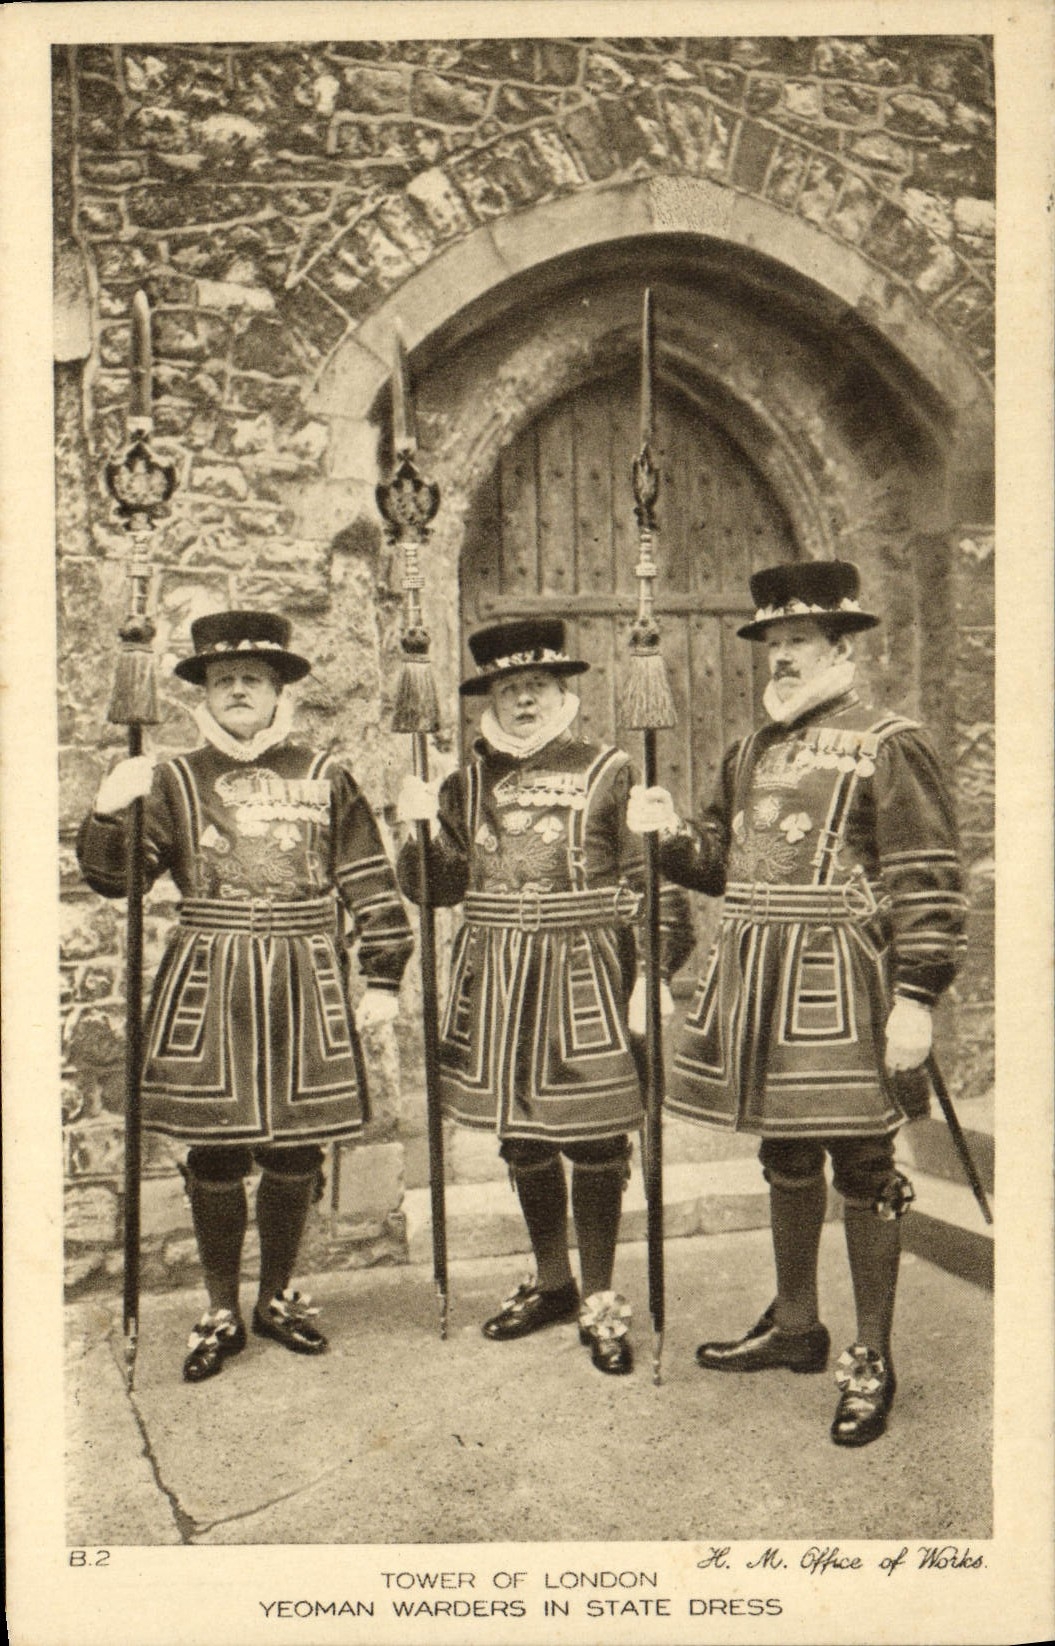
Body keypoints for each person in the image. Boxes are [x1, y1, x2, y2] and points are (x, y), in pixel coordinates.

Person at [627, 560, 966, 1445]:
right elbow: (719, 863)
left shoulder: (889, 740)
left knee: (861, 1162)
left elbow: (926, 873)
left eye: (798, 640)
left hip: (841, 979)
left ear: (838, 646)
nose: (780, 656)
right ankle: (794, 1324)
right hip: (758, 979)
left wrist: (917, 994)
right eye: (771, 641)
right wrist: (669, 835)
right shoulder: (750, 750)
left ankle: (871, 1356)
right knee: (783, 1152)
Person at [78, 611, 413, 1383]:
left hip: (305, 973)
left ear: (277, 692)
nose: (237, 690)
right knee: (216, 1151)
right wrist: (106, 811)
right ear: (203, 691)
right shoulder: (171, 778)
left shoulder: (323, 773)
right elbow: (120, 880)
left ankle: (276, 1297)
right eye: (222, 679)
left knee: (295, 1150)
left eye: (252, 680)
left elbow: (366, 875)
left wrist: (385, 972)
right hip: (211, 974)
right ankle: (220, 1307)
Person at [397, 617, 693, 1375]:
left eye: (536, 686)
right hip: (495, 972)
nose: (523, 700)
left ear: (562, 691)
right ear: (489, 699)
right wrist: (419, 832)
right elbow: (436, 889)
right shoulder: (465, 783)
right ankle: (552, 1279)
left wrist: (653, 971)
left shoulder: (610, 769)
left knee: (594, 1137)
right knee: (522, 1136)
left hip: (584, 970)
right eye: (507, 689)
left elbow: (650, 878)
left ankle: (599, 1293)